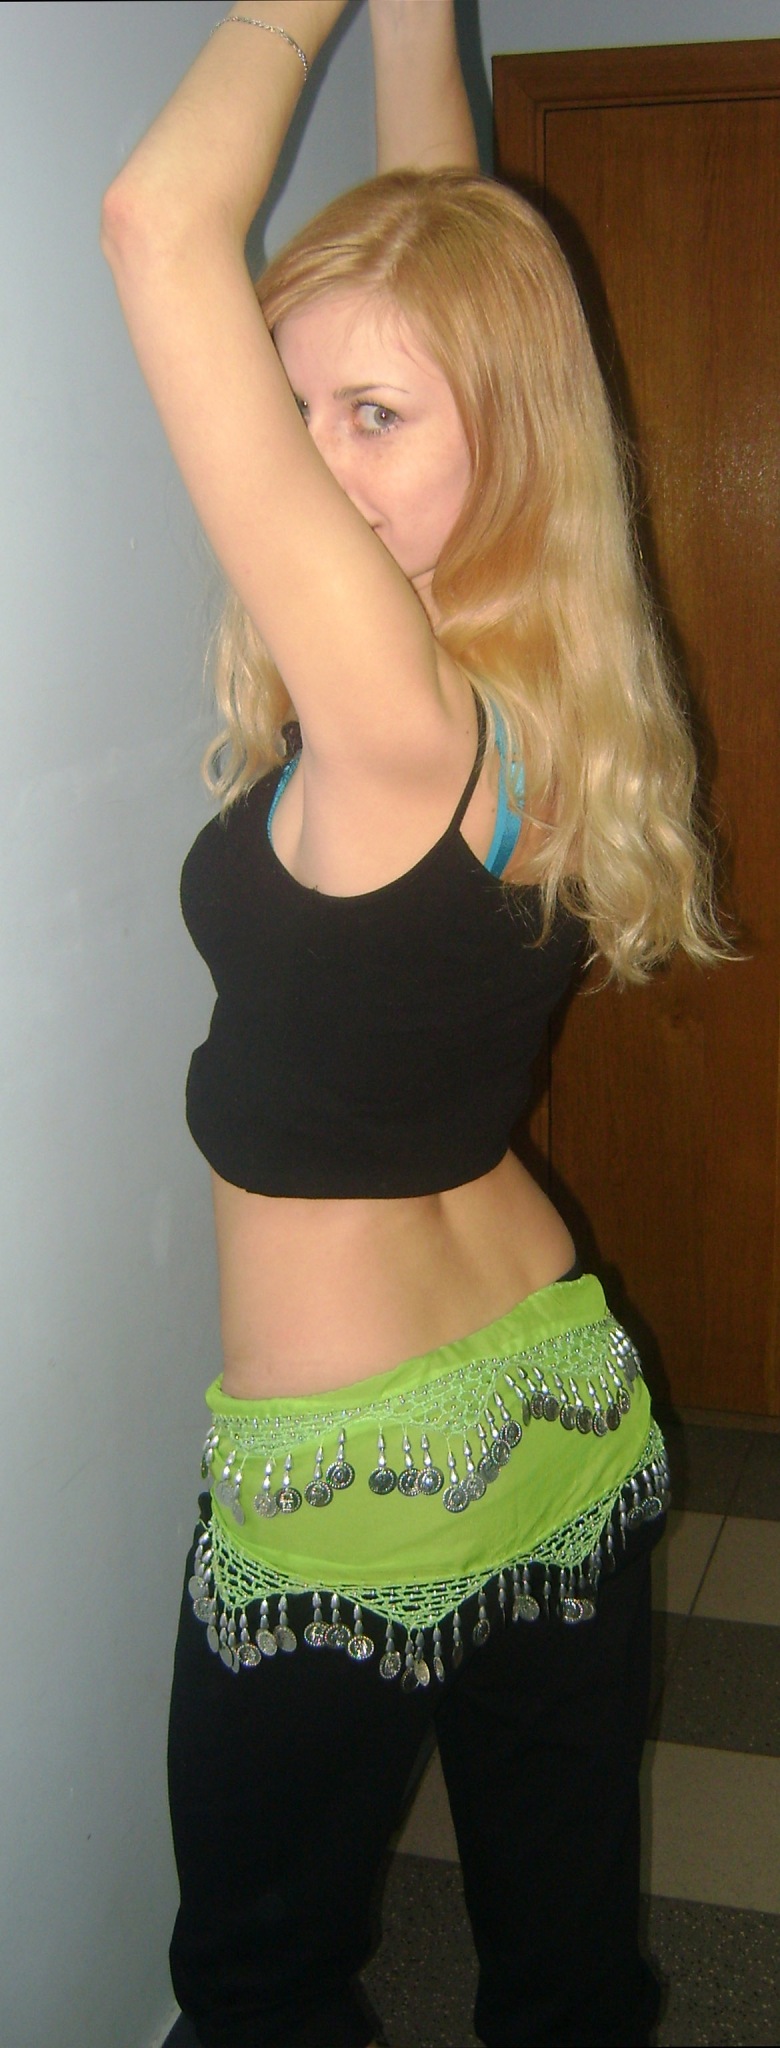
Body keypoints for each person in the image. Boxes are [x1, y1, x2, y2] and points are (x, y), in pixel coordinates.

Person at [101, 5, 727, 2045]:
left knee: (255, 1983)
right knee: (565, 1966)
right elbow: (447, 220)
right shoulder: (529, 684)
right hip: (558, 1398)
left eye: (370, 416)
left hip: (350, 1465)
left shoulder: (390, 720)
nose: (307, 465)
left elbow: (156, 222)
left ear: (504, 432)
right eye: (295, 408)